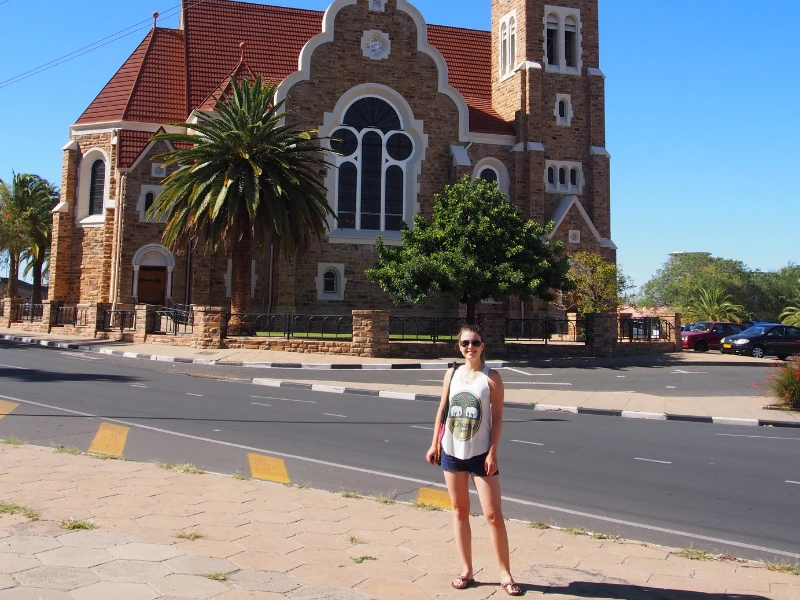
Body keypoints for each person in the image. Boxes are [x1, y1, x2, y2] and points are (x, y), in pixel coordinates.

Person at [426, 323, 522, 596]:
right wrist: (434, 444)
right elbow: (442, 410)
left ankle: (505, 574)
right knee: (459, 512)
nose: (470, 347)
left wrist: (493, 452)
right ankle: (466, 570)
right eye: (465, 343)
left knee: (493, 516)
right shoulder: (451, 374)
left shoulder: (492, 378)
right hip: (452, 451)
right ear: (459, 346)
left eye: (475, 343)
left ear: (483, 346)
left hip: (481, 455)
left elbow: (499, 417)